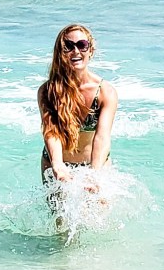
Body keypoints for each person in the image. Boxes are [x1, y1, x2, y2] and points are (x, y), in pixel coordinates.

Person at [37, 24, 118, 184]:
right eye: (68, 46)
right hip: (57, 163)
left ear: (90, 50)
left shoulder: (105, 92)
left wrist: (95, 174)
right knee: (57, 210)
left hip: (96, 164)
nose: (76, 51)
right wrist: (58, 166)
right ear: (60, 52)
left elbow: (102, 137)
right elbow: (51, 132)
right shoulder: (48, 91)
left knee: (98, 208)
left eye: (82, 45)